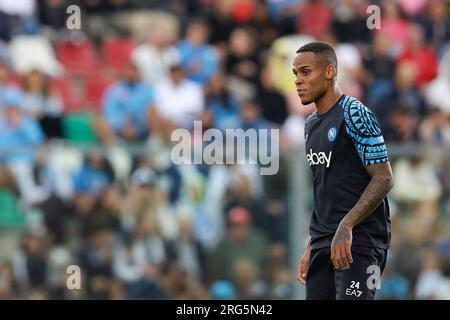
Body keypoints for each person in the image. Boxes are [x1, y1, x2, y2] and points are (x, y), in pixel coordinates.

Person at [293, 41, 394, 300]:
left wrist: (346, 226)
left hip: (358, 242)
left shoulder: (355, 113)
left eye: (306, 72)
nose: (298, 81)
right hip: (323, 243)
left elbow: (384, 178)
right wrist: (311, 242)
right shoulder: (310, 125)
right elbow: (325, 189)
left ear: (329, 72)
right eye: (296, 74)